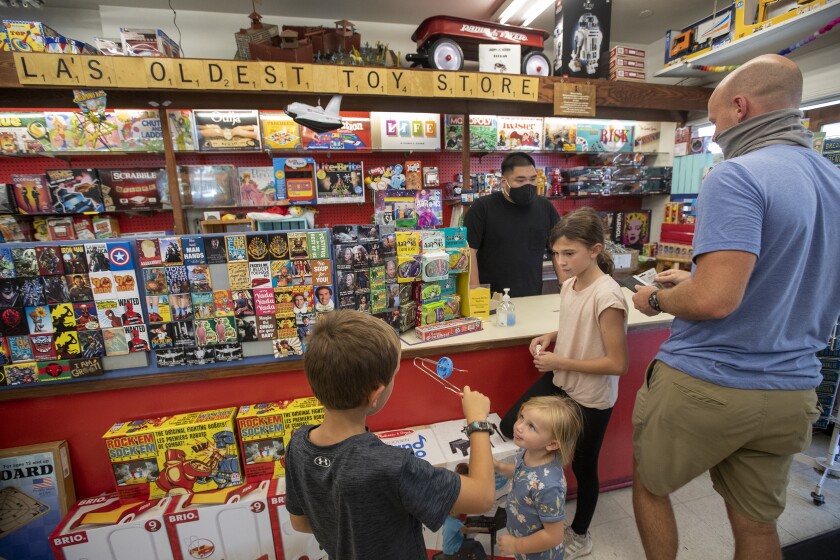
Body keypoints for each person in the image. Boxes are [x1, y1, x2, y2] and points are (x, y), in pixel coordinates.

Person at [630, 54, 840, 560]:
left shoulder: (736, 175)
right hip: (792, 389)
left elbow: (714, 300)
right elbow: (792, 276)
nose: (716, 134)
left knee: (650, 486)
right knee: (758, 526)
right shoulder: (833, 181)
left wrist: (656, 298)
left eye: (716, 119)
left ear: (740, 107)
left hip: (710, 383)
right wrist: (700, 276)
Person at [285, 310, 496, 558]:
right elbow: (482, 497)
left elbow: (299, 522)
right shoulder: (393, 467)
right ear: (375, 395)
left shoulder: (297, 445)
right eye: (395, 374)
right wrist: (478, 420)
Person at [500, 207, 629, 559]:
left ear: (596, 250)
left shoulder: (609, 295)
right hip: (563, 380)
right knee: (512, 424)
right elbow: (579, 324)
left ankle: (579, 533)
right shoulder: (571, 284)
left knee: (584, 467)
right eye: (556, 253)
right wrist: (552, 333)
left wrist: (558, 360)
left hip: (590, 397)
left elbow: (618, 363)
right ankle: (535, 497)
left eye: (569, 253)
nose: (561, 261)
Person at [494, 395, 582, 559]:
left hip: (539, 554)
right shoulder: (528, 451)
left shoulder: (549, 486)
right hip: (524, 544)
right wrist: (499, 467)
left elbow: (554, 536)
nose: (519, 426)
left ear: (552, 444)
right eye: (521, 417)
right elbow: (523, 474)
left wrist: (516, 545)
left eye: (531, 426)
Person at [465, 152, 561, 297]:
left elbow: (558, 249)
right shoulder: (482, 208)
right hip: (493, 300)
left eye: (532, 179)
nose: (528, 185)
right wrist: (475, 294)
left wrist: (566, 285)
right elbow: (469, 251)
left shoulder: (545, 207)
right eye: (520, 180)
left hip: (533, 297)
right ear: (504, 181)